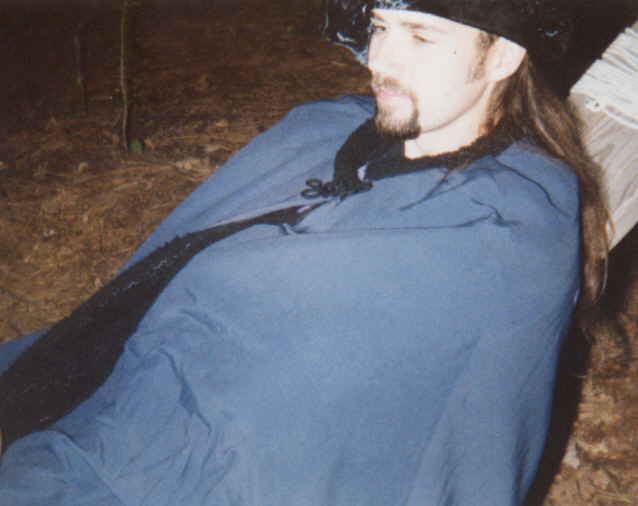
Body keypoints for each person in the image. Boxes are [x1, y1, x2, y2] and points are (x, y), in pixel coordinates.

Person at [0, 0, 609, 504]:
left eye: (421, 36)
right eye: (379, 27)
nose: (380, 58)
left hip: (201, 462)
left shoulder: (510, 222)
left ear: (502, 56)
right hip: (120, 388)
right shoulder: (322, 128)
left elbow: (292, 388)